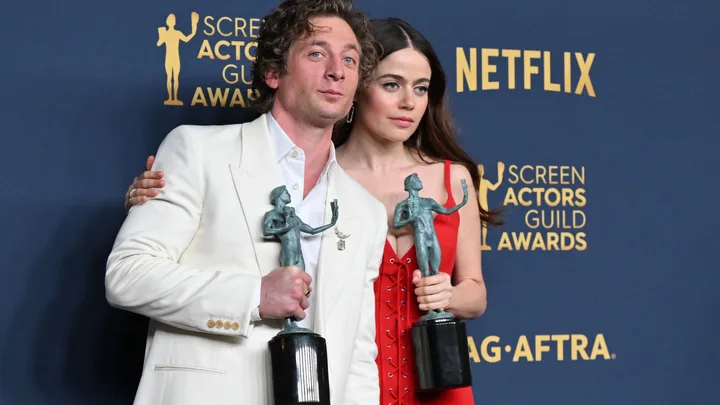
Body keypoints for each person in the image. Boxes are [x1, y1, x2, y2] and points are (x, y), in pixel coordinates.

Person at [125, 16, 503, 405]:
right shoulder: (315, 176)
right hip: (318, 375)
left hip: (428, 373)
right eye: (392, 85)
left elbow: (474, 291)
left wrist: (450, 295)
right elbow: (141, 263)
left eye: (421, 89)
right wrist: (160, 190)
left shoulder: (441, 180)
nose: (408, 102)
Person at [107, 1, 386, 405]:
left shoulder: (366, 211)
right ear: (273, 72)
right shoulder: (198, 150)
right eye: (316, 53)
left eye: (349, 59)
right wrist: (253, 297)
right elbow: (127, 276)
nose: (336, 71)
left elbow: (358, 355)